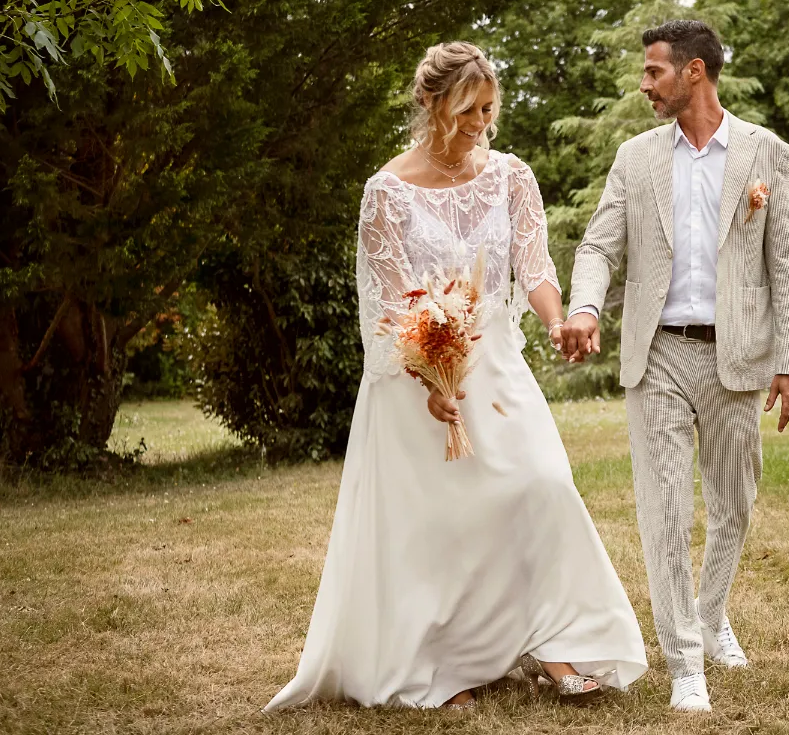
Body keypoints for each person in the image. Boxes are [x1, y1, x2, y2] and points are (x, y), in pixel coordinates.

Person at [265, 42, 647, 712]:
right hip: (420, 373)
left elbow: (535, 267)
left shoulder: (511, 176)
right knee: (444, 520)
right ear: (430, 103)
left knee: (543, 485)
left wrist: (556, 321)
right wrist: (431, 381)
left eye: (489, 109)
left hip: (496, 364)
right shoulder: (387, 193)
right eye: (468, 110)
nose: (480, 123)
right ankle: (443, 663)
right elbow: (390, 305)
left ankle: (554, 644)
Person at [558, 19, 789, 713]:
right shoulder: (635, 157)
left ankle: (711, 609)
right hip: (658, 353)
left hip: (738, 354)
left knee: (734, 503)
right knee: (664, 510)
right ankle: (684, 663)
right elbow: (599, 246)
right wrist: (585, 307)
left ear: (694, 71)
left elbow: (786, 262)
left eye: (654, 72)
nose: (644, 84)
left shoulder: (766, 153)